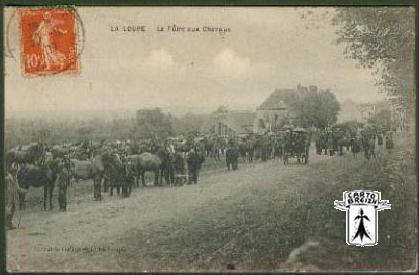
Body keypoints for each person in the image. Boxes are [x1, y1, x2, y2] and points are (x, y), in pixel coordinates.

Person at [6, 163, 27, 230]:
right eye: (14, 171)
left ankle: (9, 223)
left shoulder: (15, 179)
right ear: (11, 172)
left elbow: (18, 188)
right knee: (8, 210)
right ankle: (7, 223)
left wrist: (24, 191)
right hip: (8, 197)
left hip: (13, 197)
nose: (16, 173)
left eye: (16, 171)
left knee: (13, 209)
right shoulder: (7, 179)